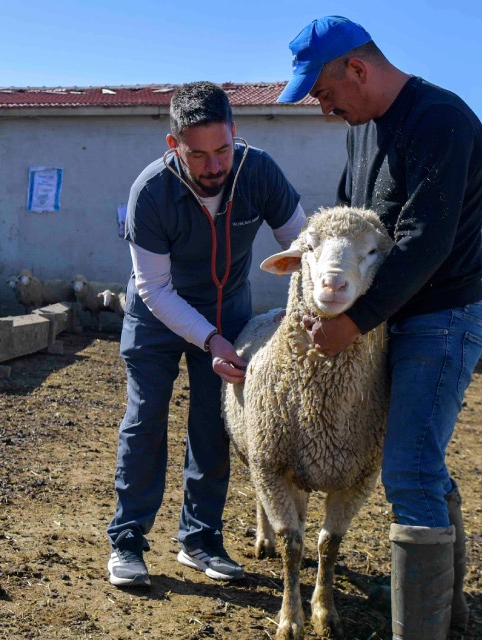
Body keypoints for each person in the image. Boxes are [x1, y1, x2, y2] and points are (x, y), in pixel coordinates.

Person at [277, 16, 482, 640]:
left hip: (439, 320)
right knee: (423, 464)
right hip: (392, 320)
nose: (324, 108)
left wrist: (358, 321)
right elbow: (351, 222)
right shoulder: (363, 132)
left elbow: (427, 240)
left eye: (322, 92)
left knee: (408, 472)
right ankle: (448, 615)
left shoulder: (442, 121)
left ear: (357, 69)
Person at [107, 81, 308, 588]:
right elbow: (154, 288)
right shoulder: (150, 192)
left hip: (229, 310)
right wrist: (209, 340)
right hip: (158, 315)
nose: (215, 165)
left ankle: (199, 540)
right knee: (146, 418)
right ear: (174, 146)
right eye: (199, 154)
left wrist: (303, 309)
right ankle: (128, 540)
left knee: (214, 424)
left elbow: (304, 247)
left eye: (223, 149)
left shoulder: (258, 171)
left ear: (235, 135)